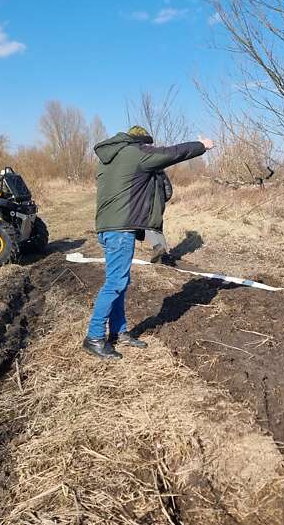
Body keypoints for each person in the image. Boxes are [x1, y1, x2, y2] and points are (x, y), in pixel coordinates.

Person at [83, 126, 213, 359]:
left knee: (120, 282)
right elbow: (171, 153)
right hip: (120, 230)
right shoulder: (135, 153)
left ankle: (118, 332)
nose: (148, 148)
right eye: (146, 145)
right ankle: (93, 337)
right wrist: (201, 146)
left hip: (109, 228)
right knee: (114, 284)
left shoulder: (109, 158)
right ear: (140, 141)